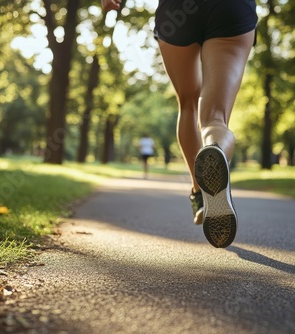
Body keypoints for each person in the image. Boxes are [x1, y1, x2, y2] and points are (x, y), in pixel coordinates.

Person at [101, 0, 257, 248]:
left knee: (187, 104)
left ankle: (199, 193)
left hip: (178, 10)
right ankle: (214, 149)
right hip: (231, 9)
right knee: (215, 117)